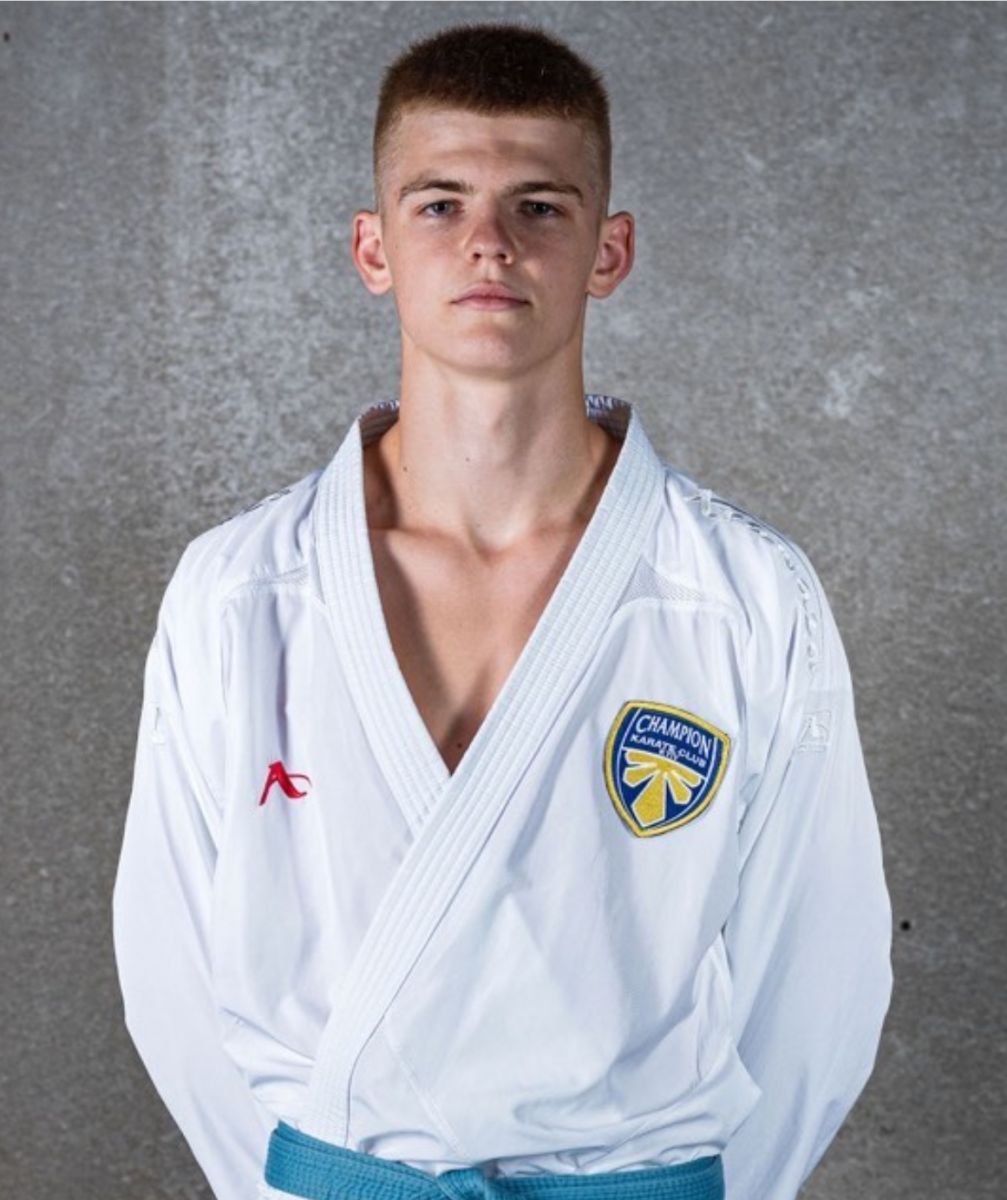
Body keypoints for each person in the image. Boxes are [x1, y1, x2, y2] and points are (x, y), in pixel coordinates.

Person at [112, 22, 893, 1200]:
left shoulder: (741, 596)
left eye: (537, 206)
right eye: (439, 205)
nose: (488, 242)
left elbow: (816, 983)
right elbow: (170, 968)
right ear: (372, 249)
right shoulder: (238, 593)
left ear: (607, 251)